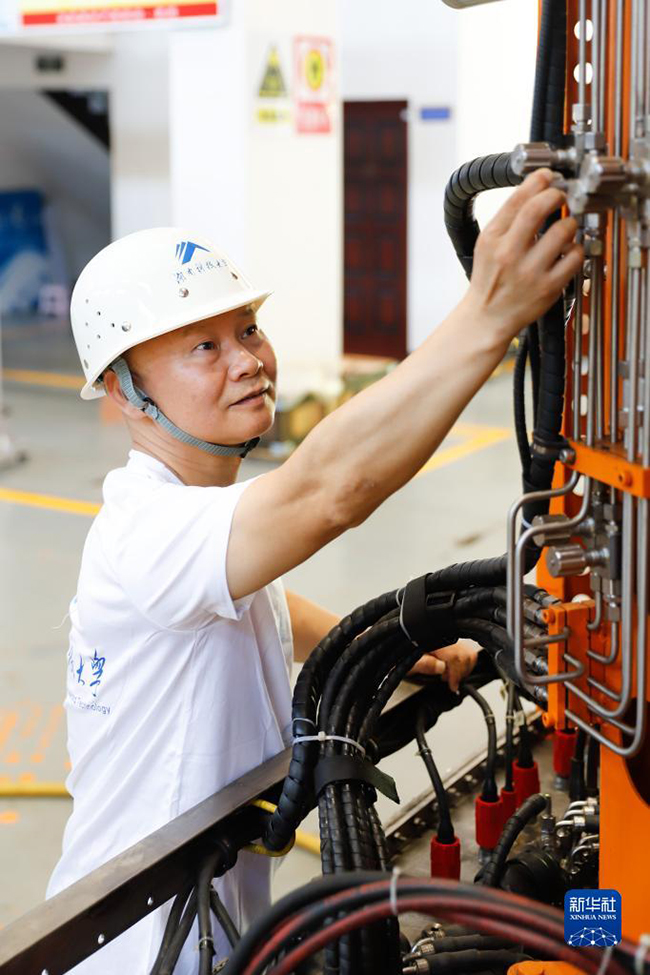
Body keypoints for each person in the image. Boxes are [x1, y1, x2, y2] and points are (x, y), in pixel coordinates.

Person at [46, 169, 581, 973]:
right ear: (123, 389)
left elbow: (262, 603)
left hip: (211, 931)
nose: (247, 360)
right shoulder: (146, 534)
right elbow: (329, 490)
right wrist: (489, 314)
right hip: (142, 951)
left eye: (248, 329)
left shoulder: (197, 523)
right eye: (204, 346)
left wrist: (393, 649)